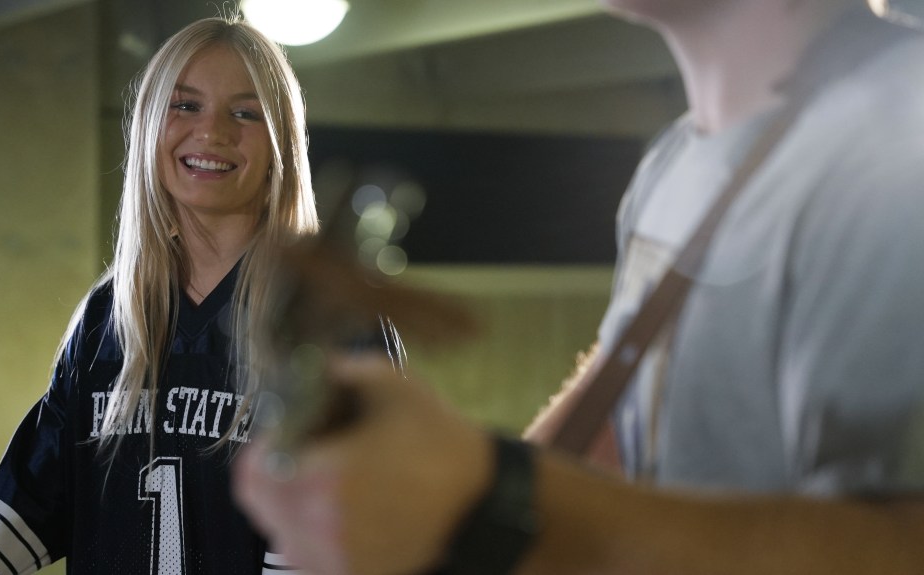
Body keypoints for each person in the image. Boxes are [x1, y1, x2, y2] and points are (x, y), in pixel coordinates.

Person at [233, 0, 924, 573]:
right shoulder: (677, 161)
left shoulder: (897, 134)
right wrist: (437, 501)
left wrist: (489, 496)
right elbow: (625, 412)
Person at [0, 15, 403, 575]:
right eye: (186, 105)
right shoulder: (109, 315)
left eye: (245, 113)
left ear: (282, 145)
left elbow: (344, 531)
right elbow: (27, 499)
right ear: (150, 124)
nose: (212, 132)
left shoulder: (330, 315)